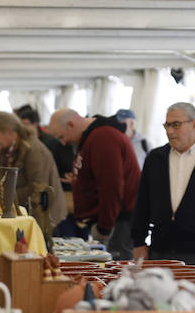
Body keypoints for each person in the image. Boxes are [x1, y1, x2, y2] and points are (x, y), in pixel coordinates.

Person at [131, 102, 195, 270]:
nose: (169, 131)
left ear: (194, 124)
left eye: (176, 125)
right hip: (160, 251)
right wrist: (138, 242)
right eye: (167, 125)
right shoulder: (155, 159)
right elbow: (142, 203)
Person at [48, 108, 140, 260]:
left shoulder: (103, 137)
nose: (63, 142)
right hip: (112, 221)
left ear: (71, 124)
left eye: (62, 137)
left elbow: (111, 187)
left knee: (114, 274)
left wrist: (104, 227)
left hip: (117, 222)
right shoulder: (93, 137)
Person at [0, 111, 67, 229]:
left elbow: (37, 187)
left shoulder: (33, 150)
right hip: (28, 211)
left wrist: (2, 196)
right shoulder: (8, 148)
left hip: (45, 216)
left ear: (8, 132)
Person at [15, 104, 74, 190]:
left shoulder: (52, 141)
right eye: (21, 125)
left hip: (57, 185)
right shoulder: (23, 142)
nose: (23, 128)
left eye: (25, 124)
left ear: (35, 124)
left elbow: (64, 164)